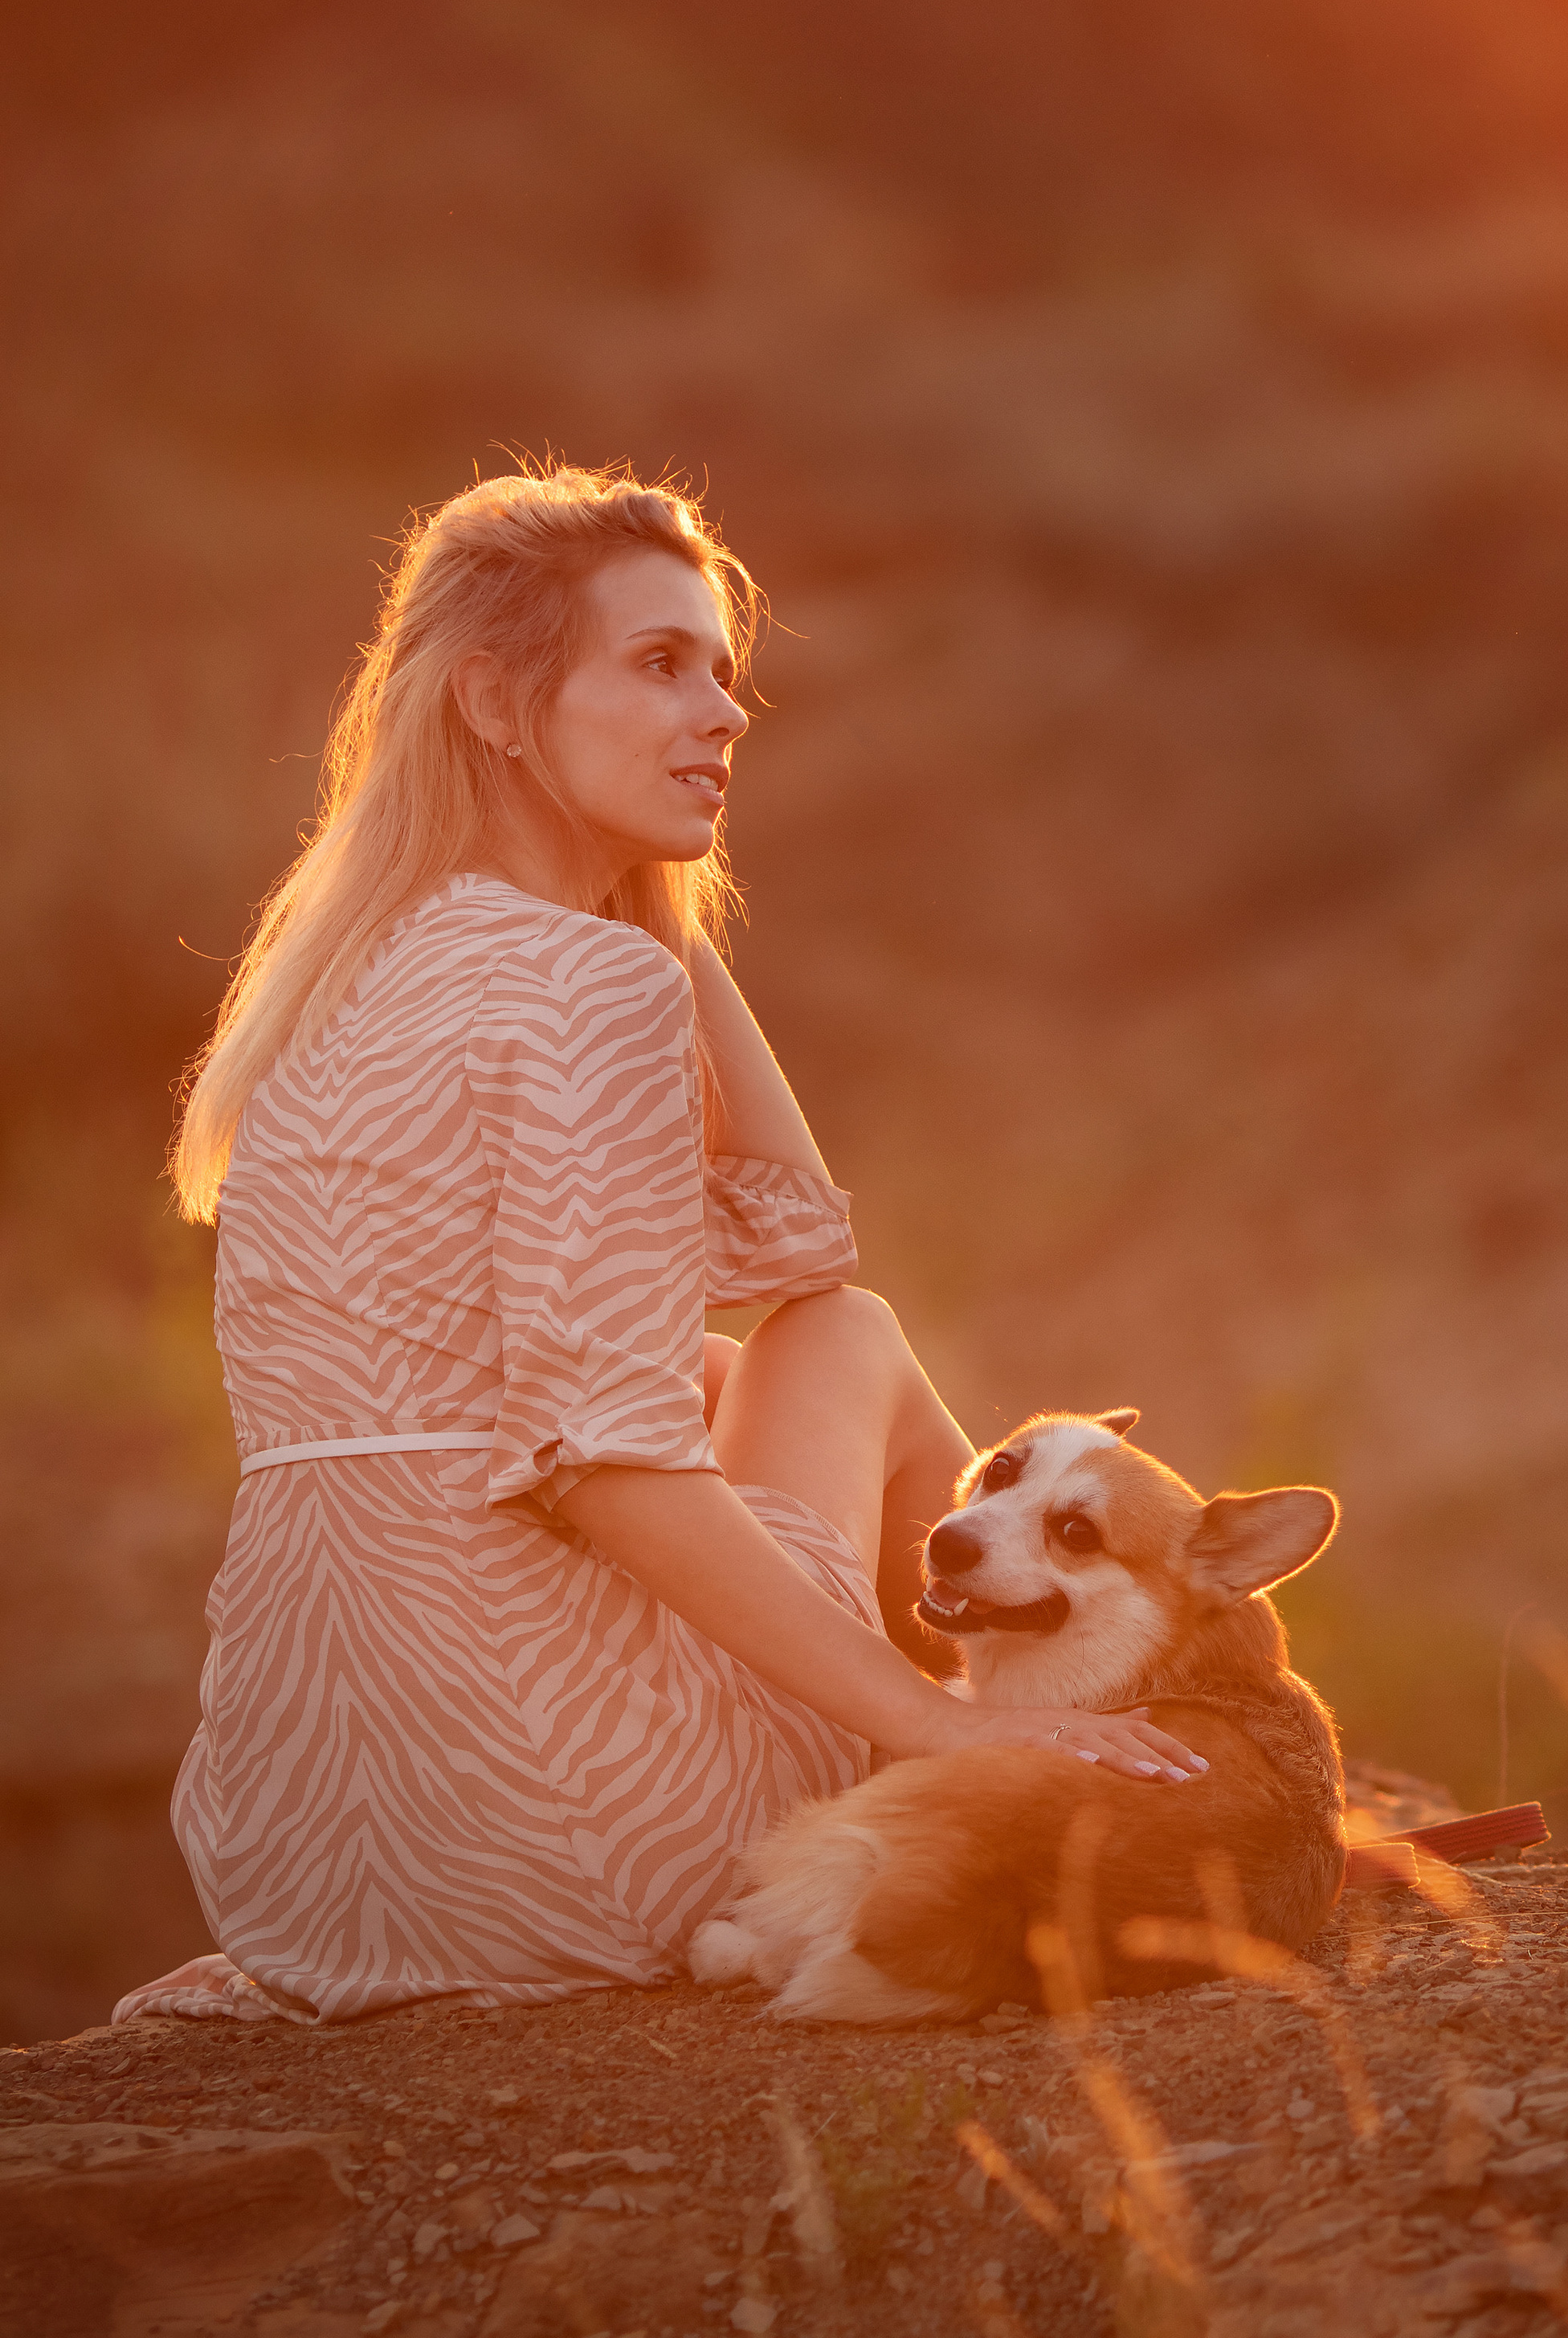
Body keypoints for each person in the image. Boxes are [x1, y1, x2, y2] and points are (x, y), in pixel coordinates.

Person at [118, 464, 1201, 2026]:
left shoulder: (329, 988)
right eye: (657, 663)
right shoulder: (583, 991)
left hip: (307, 1853)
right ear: (495, 703)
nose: (724, 711)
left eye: (722, 670)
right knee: (847, 1346)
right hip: (563, 1825)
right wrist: (925, 1722)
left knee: (718, 1363)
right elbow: (707, 1382)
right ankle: (1035, 1744)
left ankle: (1028, 1737)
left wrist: (654, 906)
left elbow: (767, 1252)